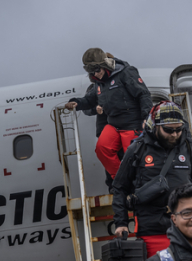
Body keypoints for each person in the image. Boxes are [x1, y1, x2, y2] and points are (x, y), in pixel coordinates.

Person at [112, 101, 192, 257]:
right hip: (152, 229)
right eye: (168, 130)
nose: (174, 134)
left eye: (179, 130)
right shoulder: (138, 149)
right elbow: (119, 187)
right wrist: (121, 223)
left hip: (187, 226)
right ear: (155, 125)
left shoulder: (189, 147)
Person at [64, 48, 152, 179]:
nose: (96, 74)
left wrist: (146, 117)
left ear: (105, 65)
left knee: (133, 156)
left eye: (98, 70)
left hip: (132, 123)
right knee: (102, 148)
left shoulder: (126, 73)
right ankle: (120, 179)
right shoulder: (99, 83)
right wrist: (76, 102)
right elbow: (89, 100)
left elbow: (143, 94)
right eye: (92, 72)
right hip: (114, 124)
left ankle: (138, 182)